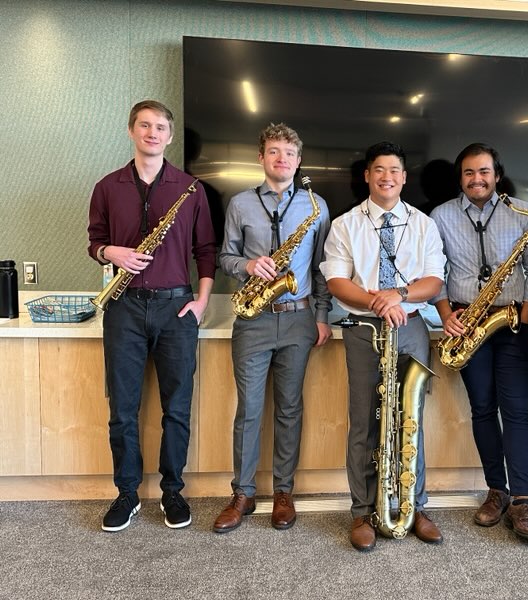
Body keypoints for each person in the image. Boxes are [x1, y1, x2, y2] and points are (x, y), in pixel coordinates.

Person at [87, 100, 216, 532]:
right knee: (122, 410)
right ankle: (126, 493)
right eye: (144, 125)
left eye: (160, 127)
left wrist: (201, 303)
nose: (152, 133)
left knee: (176, 408)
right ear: (131, 131)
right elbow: (94, 242)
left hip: (176, 309)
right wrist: (112, 252)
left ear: (170, 136)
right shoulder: (107, 187)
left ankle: (173, 490)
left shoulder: (190, 189)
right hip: (123, 306)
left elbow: (206, 251)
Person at [321, 141, 446, 551]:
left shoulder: (424, 224)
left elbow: (434, 281)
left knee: (410, 419)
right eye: (379, 170)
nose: (386, 177)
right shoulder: (345, 224)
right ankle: (363, 511)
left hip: (410, 326)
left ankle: (413, 506)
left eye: (394, 170)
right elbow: (337, 281)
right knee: (365, 422)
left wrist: (398, 295)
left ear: (404, 177)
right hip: (363, 329)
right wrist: (379, 302)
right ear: (367, 176)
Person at [213, 123, 332, 533]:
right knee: (248, 410)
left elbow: (323, 267)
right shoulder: (240, 203)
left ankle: (284, 492)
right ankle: (242, 493)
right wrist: (247, 265)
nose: (282, 159)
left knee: (290, 408)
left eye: (289, 153)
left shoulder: (316, 206)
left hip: (299, 317)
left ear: (299, 161)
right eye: (274, 151)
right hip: (253, 318)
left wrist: (321, 316)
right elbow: (225, 257)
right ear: (261, 157)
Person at [431, 142, 528, 543]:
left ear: (497, 174)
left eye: (484, 172)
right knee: (482, 410)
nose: (476, 179)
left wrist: (527, 312)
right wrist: (445, 314)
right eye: (468, 172)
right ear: (460, 178)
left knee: (516, 413)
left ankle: (523, 501)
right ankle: (497, 491)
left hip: (511, 320)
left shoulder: (523, 214)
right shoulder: (441, 215)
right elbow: (434, 271)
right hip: (467, 321)